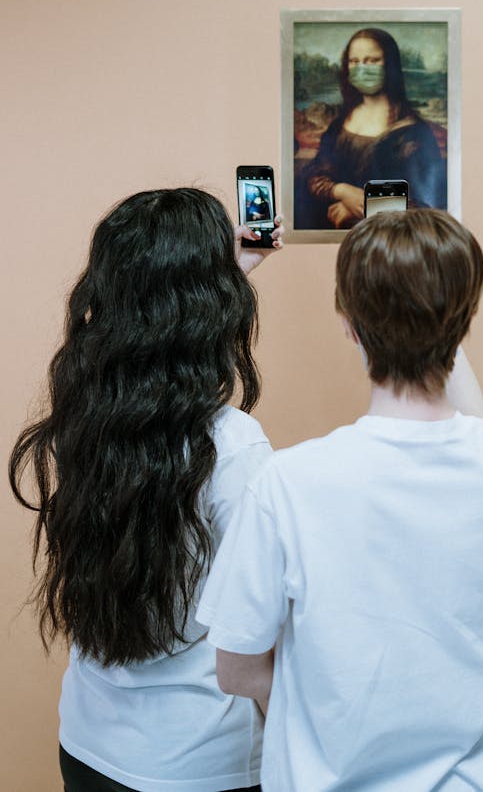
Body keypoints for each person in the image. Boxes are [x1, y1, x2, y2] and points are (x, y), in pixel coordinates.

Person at [197, 208, 483, 792]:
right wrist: (435, 304)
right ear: (465, 325)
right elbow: (475, 426)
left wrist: (326, 712)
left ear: (349, 327)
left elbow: (235, 668)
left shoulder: (289, 482)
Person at [8, 188, 283, 792]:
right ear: (216, 306)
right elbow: (255, 636)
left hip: (88, 747)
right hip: (202, 763)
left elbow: (147, 339)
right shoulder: (233, 446)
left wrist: (210, 275)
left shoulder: (83, 418)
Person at [300, 28, 446, 229]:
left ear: (390, 65)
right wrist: (341, 191)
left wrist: (363, 208)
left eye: (372, 61)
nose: (362, 68)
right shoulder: (340, 123)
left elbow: (426, 206)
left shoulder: (414, 132)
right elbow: (314, 174)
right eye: (354, 61)